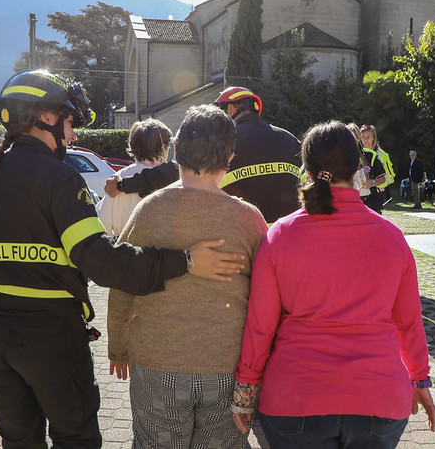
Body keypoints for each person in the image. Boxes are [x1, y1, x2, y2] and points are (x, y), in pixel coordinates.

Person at [0, 70, 246, 449]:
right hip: (48, 338)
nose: (73, 135)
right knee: (75, 439)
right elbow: (104, 264)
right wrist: (185, 261)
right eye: (69, 121)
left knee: (18, 441)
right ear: (45, 117)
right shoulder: (59, 180)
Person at [231, 121, 435, 448]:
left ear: (307, 170)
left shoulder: (280, 236)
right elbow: (409, 321)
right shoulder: (392, 238)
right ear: (359, 166)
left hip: (294, 400)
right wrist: (419, 378)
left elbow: (260, 326)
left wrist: (245, 389)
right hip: (379, 400)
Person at [107, 105, 268, 448]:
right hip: (227, 367)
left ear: (176, 150)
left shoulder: (148, 210)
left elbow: (124, 283)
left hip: (156, 363)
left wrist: (118, 348)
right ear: (230, 157)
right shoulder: (249, 220)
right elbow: (266, 297)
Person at [104, 86, 302, 225]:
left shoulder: (224, 140)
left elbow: (174, 171)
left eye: (220, 111)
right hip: (288, 236)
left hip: (243, 234)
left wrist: (123, 185)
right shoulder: (289, 138)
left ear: (231, 109)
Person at [95, 118, 171, 237]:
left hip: (125, 246)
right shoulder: (171, 177)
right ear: (163, 146)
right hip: (162, 248)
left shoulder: (119, 177)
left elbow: (103, 222)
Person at [347, 123, 387, 213]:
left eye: (353, 136)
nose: (350, 140)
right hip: (348, 203)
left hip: (370, 203)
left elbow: (382, 178)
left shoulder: (370, 155)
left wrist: (372, 182)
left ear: (358, 138)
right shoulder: (338, 157)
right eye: (347, 137)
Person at [361, 124, 395, 206]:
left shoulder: (383, 155)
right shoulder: (356, 153)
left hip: (376, 196)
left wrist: (375, 183)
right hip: (360, 195)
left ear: (374, 138)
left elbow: (391, 177)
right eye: (363, 136)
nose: (366, 139)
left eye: (368, 136)